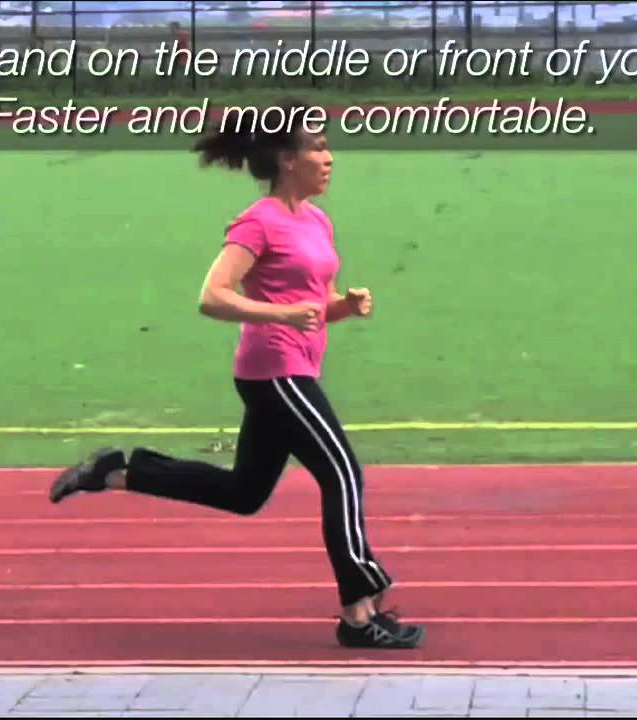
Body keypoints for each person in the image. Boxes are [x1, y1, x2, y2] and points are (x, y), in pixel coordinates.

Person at [49, 98, 424, 650]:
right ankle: (358, 611)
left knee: (245, 491)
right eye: (318, 148)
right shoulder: (258, 222)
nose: (329, 158)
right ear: (287, 159)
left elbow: (314, 302)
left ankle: (116, 473)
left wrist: (345, 306)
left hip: (294, 365)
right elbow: (212, 297)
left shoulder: (316, 220)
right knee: (342, 473)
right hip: (274, 368)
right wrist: (281, 315)